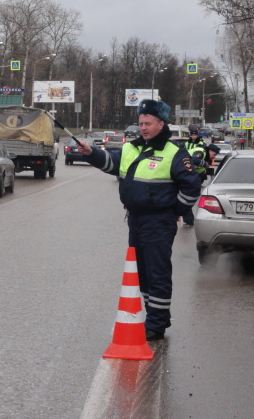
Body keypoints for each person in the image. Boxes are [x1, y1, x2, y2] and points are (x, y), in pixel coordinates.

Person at [76, 99, 202, 341]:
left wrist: (174, 211)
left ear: (161, 124)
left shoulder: (174, 152)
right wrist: (91, 153)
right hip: (135, 220)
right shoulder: (132, 148)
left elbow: (191, 188)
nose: (143, 128)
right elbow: (112, 163)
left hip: (159, 222)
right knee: (141, 272)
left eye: (148, 123)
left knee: (157, 272)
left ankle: (157, 324)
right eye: (141, 123)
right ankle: (151, 317)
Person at [182, 143, 220, 226]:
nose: (214, 157)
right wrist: (204, 164)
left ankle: (188, 219)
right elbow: (192, 160)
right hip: (184, 175)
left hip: (188, 176)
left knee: (189, 198)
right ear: (210, 151)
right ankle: (188, 219)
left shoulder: (205, 156)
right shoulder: (201, 152)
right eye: (214, 154)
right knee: (188, 198)